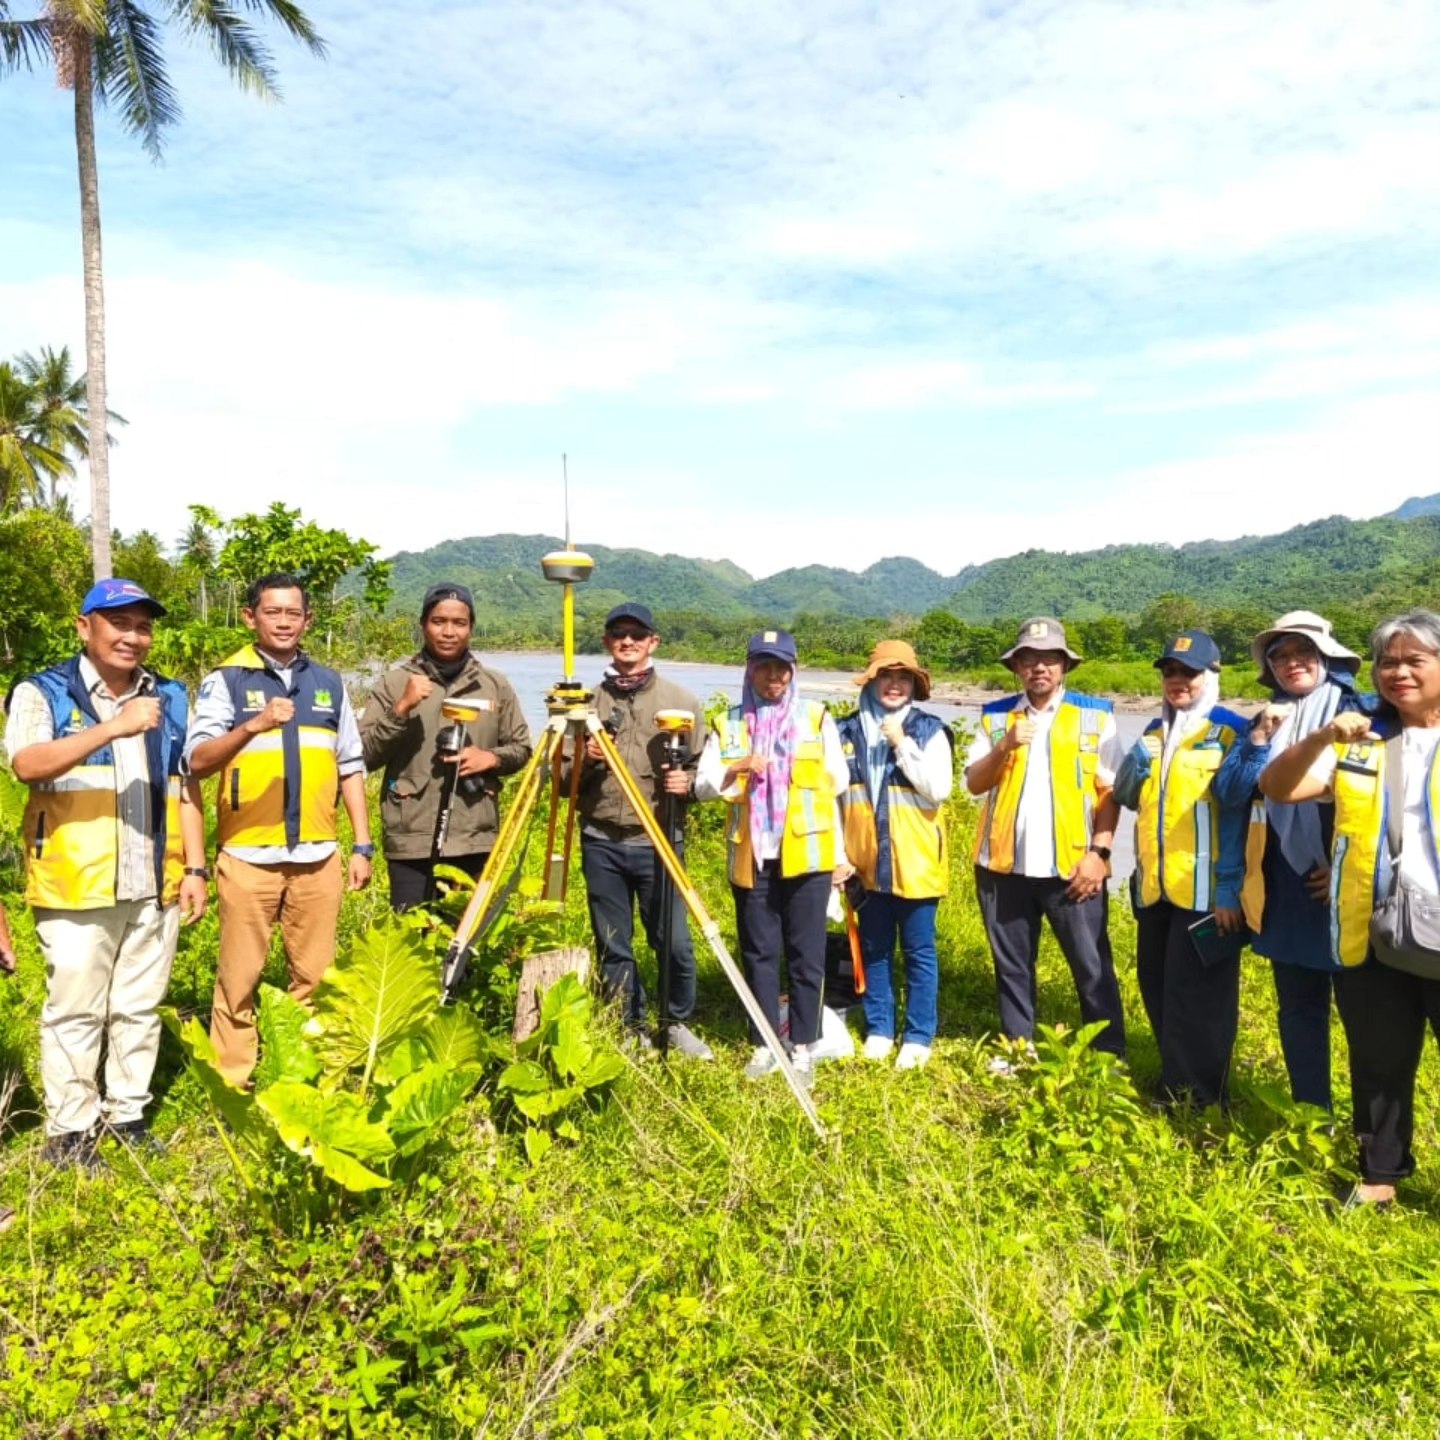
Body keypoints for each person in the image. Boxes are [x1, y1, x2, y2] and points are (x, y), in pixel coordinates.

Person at [4, 579, 209, 1167]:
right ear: (84, 627)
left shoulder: (168, 695)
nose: (133, 636)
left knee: (138, 1006)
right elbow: (26, 763)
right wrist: (113, 726)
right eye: (118, 622)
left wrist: (194, 866)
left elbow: (183, 783)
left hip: (154, 880)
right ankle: (69, 1131)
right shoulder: (44, 692)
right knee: (74, 1008)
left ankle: (127, 1115)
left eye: (143, 626)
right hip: (74, 881)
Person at [1260, 609, 1440, 1206]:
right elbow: (1280, 789)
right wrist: (1319, 739)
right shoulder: (1367, 739)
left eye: (1416, 660)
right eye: (1390, 662)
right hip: (1371, 925)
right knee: (1379, 1056)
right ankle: (1381, 1176)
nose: (1399, 673)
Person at [185, 573, 373, 1085]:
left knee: (315, 978)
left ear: (308, 620)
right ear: (251, 617)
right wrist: (252, 725)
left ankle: (306, 1076)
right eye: (273, 612)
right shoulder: (226, 680)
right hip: (248, 857)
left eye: (294, 613)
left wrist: (361, 844)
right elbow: (197, 761)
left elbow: (350, 765)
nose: (284, 621)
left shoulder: (329, 683)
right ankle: (234, 1082)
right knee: (238, 979)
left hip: (318, 857)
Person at [1213, 611, 1368, 1110]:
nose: (1291, 663)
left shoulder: (1362, 714)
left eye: (1302, 653)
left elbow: (1389, 802)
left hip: (1343, 887)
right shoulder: (1264, 722)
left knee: (1367, 1018)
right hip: (1282, 882)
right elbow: (1233, 793)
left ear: (1325, 658)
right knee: (1299, 1008)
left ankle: (1373, 1135)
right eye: (1279, 657)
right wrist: (1259, 740)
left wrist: (1350, 868)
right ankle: (1311, 1118)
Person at [965, 617, 1126, 1068]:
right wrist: (1005, 747)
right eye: (1029, 659)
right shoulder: (996, 717)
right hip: (1003, 867)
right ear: (1016, 666)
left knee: (1092, 966)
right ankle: (1017, 1050)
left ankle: (1108, 1056)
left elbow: (1110, 793)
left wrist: (1100, 854)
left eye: (1049, 659)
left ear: (1064, 666)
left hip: (1072, 868)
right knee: (1012, 966)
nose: (1039, 668)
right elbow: (974, 784)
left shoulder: (1096, 717)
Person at [695, 629, 852, 1083]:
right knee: (759, 952)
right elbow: (705, 787)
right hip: (753, 854)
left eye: (780, 667)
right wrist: (737, 767)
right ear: (749, 669)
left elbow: (837, 785)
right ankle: (764, 1041)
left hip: (807, 854)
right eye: (763, 666)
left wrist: (838, 854)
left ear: (792, 671)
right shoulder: (728, 722)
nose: (772, 676)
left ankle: (803, 1045)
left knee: (808, 954)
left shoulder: (816, 718)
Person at [565, 602, 712, 1057]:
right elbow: (561, 780)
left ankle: (676, 1023)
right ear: (607, 641)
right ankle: (629, 1023)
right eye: (617, 633)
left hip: (659, 839)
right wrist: (584, 760)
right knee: (614, 944)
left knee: (675, 942)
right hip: (601, 839)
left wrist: (686, 785)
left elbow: (705, 772)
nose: (627, 641)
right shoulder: (585, 703)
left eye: (637, 634)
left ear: (653, 642)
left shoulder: (682, 703)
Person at [1112, 630, 1251, 1108]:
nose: (1177, 681)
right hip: (1155, 889)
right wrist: (1137, 763)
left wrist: (1230, 890)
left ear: (1212, 675)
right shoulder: (1156, 730)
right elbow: (1128, 797)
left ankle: (1200, 1098)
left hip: (1207, 893)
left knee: (1203, 1001)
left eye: (1188, 672)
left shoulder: (1233, 732)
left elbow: (1238, 815)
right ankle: (1175, 1081)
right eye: (1170, 671)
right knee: (1160, 987)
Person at [359, 582, 531, 912]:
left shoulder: (494, 685)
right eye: (439, 621)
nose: (449, 631)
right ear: (423, 625)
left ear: (471, 628)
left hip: (474, 834)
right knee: (413, 941)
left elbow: (521, 747)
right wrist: (402, 708)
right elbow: (365, 753)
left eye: (459, 623)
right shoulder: (395, 683)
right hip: (412, 837)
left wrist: (490, 758)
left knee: (465, 945)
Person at [836, 640, 953, 1070]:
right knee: (874, 948)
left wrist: (902, 743)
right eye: (886, 676)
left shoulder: (929, 730)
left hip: (916, 861)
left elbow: (938, 789)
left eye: (903, 678)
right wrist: (836, 854)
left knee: (920, 951)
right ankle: (881, 1028)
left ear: (914, 685)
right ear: (871, 682)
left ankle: (919, 1035)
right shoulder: (844, 732)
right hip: (864, 863)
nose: (894, 685)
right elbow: (831, 798)